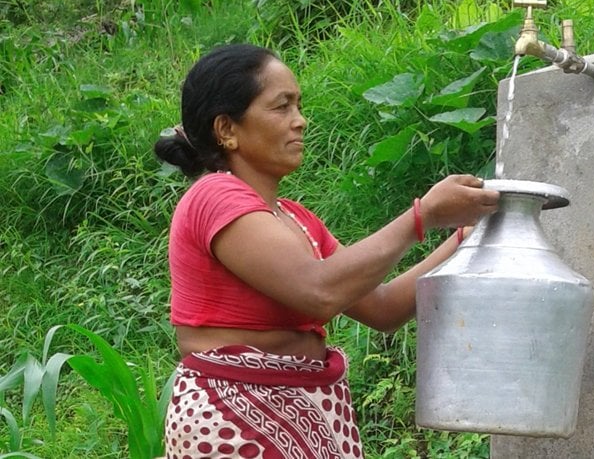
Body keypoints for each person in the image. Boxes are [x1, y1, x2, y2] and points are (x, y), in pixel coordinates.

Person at [154, 44, 500, 458]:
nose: (300, 121)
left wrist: (464, 237)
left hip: (302, 408)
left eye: (299, 105)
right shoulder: (214, 195)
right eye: (281, 107)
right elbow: (318, 291)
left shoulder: (296, 219)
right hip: (234, 418)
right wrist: (422, 216)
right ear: (227, 128)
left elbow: (382, 307)